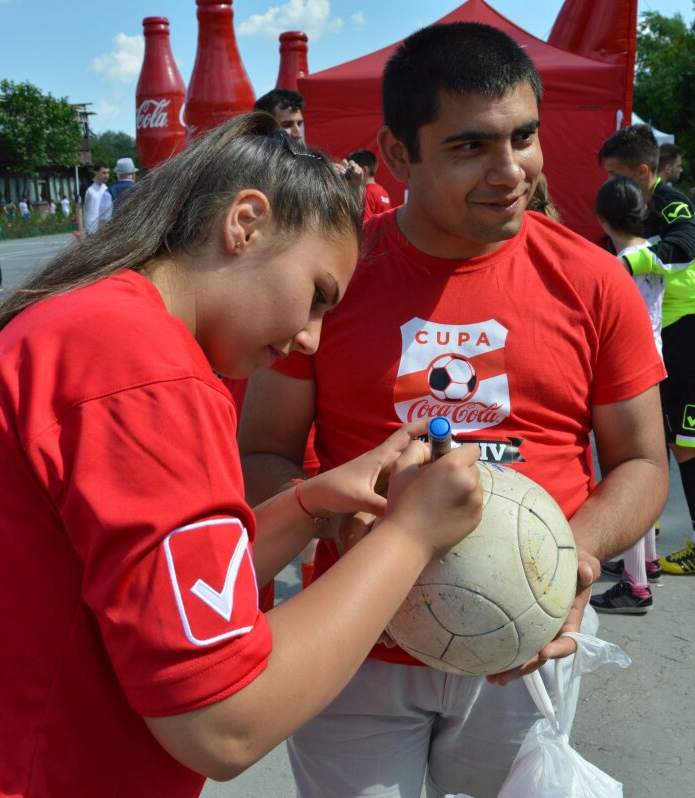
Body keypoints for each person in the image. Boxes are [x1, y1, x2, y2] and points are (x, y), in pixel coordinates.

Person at [0, 114, 485, 798]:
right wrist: (412, 535)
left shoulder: (86, 320)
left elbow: (147, 588)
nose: (311, 340)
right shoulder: (146, 372)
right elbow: (223, 722)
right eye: (318, 296)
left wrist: (307, 505)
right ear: (245, 223)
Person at [239, 24, 667, 798]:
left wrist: (571, 556)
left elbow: (641, 461)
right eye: (470, 146)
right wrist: (344, 523)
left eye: (525, 137)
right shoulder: (333, 278)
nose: (512, 172)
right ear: (398, 154)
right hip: (353, 643)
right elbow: (264, 451)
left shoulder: (594, 280)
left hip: (522, 649)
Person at [597, 123, 695, 581]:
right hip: (658, 337)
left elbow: (688, 247)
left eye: (614, 175)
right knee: (650, 443)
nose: (608, 185)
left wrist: (629, 260)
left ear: (641, 172)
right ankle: (644, 545)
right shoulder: (632, 205)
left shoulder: (673, 202)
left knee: (688, 447)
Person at [590, 175, 663, 614]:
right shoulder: (652, 254)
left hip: (626, 373)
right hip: (654, 362)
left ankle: (636, 584)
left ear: (602, 218)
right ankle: (646, 562)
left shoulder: (619, 264)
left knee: (625, 473)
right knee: (642, 464)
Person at [344, 148, 392, 219]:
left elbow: (363, 225)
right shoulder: (383, 192)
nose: (348, 173)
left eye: (352, 168)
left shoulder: (365, 193)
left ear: (365, 170)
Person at [77, 162, 113, 237]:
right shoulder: (86, 187)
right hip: (90, 230)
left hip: (105, 230)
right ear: (96, 172)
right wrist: (81, 229)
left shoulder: (108, 188)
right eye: (103, 173)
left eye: (107, 173)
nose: (106, 176)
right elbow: (79, 208)